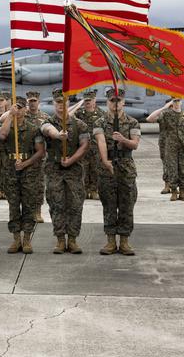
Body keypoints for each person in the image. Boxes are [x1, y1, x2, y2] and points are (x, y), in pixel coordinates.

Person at [40, 89, 90, 254]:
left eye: (64, 102)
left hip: (74, 171)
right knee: (56, 204)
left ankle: (73, 240)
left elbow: (84, 145)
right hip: (54, 170)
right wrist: (57, 135)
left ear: (69, 104)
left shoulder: (79, 124)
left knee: (75, 205)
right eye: (58, 103)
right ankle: (60, 239)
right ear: (54, 104)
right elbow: (47, 129)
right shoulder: (47, 122)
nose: (61, 106)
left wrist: (71, 160)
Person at [94, 87, 142, 255]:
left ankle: (124, 241)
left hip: (126, 167)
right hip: (107, 167)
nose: (115, 104)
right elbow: (100, 141)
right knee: (108, 204)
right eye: (112, 100)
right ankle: (110, 241)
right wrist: (106, 161)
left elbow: (135, 144)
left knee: (127, 204)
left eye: (118, 100)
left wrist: (123, 139)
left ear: (123, 102)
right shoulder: (100, 122)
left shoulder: (132, 122)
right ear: (107, 102)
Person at [0, 96, 46, 254]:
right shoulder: (7, 125)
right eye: (14, 107)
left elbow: (40, 152)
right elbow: (2, 135)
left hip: (28, 171)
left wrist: (25, 164)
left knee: (28, 206)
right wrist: (10, 115)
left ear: (25, 109)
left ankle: (26, 240)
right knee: (13, 206)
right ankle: (16, 239)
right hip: (10, 171)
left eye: (20, 107)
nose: (17, 109)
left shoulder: (33, 129)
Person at [147, 97, 184, 201]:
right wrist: (164, 107)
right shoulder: (166, 114)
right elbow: (150, 119)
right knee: (171, 169)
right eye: (174, 101)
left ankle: (182, 192)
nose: (176, 103)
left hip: (183, 147)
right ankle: (172, 190)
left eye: (178, 100)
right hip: (170, 146)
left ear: (181, 102)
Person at [69, 88, 101, 200]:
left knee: (96, 169)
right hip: (82, 147)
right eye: (86, 100)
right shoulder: (79, 113)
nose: (88, 103)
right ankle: (84, 190)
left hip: (96, 148)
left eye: (90, 100)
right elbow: (67, 115)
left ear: (94, 100)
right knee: (83, 169)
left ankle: (93, 190)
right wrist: (79, 105)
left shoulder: (101, 113)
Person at [25, 90, 49, 223]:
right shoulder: (22, 116)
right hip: (26, 156)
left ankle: (37, 212)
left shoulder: (45, 117)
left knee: (39, 185)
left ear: (38, 102)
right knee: (26, 186)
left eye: (34, 101)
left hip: (40, 157)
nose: (32, 104)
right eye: (30, 101)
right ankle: (28, 212)